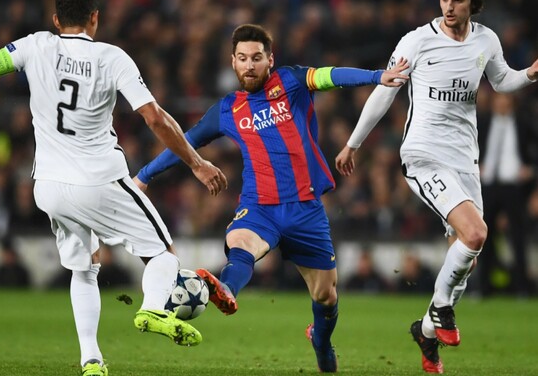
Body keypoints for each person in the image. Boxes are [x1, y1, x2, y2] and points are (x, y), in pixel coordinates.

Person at [0, 0, 227, 376]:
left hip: (49, 186)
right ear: (95, 18)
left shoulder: (34, 46)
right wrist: (196, 163)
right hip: (99, 180)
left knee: (84, 268)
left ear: (56, 19)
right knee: (162, 255)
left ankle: (91, 360)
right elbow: (154, 117)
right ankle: (154, 309)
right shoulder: (111, 58)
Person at [134, 23, 409, 373]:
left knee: (326, 296)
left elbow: (331, 75)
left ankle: (320, 339)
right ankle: (227, 289)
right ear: (233, 62)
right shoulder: (228, 109)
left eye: (256, 58)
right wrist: (144, 176)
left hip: (306, 210)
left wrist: (375, 76)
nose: (249, 65)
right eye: (242, 58)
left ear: (270, 60)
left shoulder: (291, 81)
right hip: (260, 206)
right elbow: (184, 142)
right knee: (240, 241)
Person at [335, 0, 538, 374]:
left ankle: (426, 330)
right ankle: (441, 308)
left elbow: (502, 81)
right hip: (423, 155)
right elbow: (384, 92)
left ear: (472, 3)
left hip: (465, 160)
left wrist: (531, 73)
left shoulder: (486, 40)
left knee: (467, 256)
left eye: (457, 0)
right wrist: (353, 143)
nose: (448, 7)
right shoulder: (416, 41)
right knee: (476, 233)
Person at [478, 93, 535, 297]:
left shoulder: (524, 123)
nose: (502, 103)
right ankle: (483, 287)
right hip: (487, 185)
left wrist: (532, 170)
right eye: (499, 99)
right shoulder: (482, 123)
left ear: (512, 102)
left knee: (518, 237)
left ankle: (522, 288)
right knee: (483, 236)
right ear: (493, 102)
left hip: (514, 186)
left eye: (506, 99)